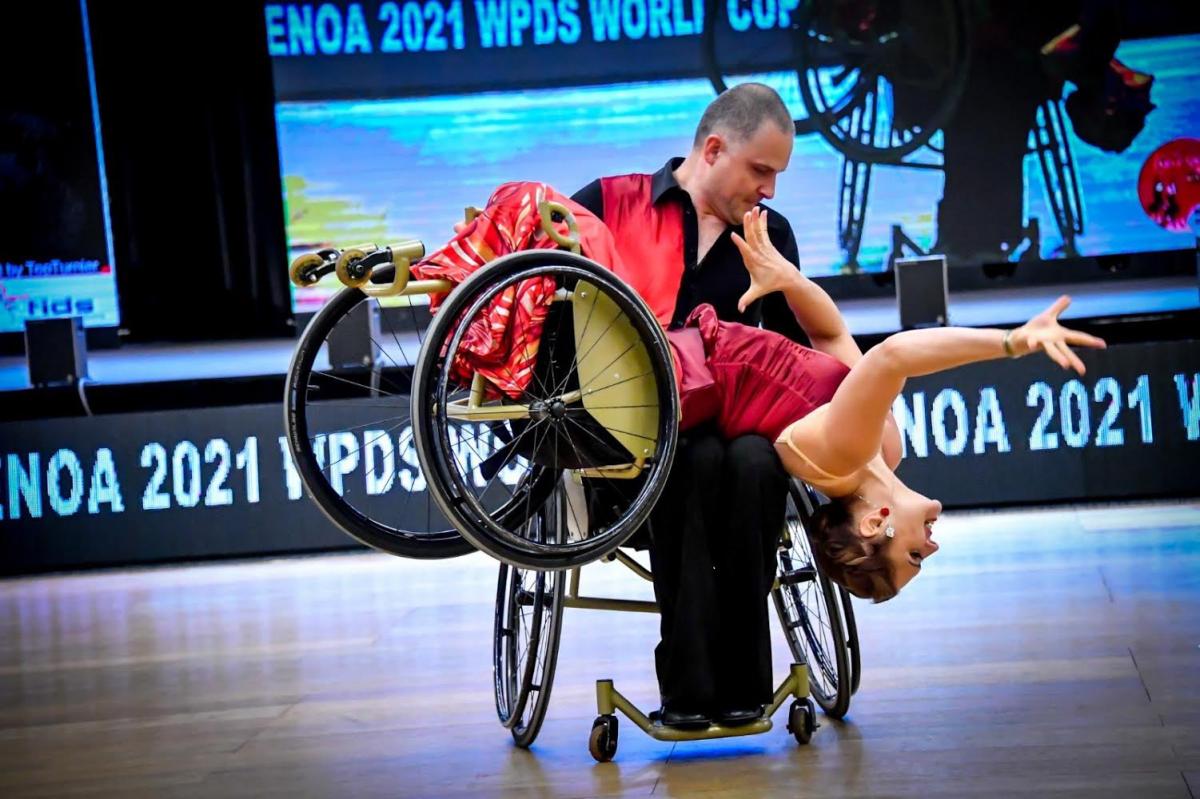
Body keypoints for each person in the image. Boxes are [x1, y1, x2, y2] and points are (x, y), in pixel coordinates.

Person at [568, 83, 839, 730]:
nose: (770, 189)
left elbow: (796, 361)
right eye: (761, 170)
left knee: (750, 460)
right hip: (639, 451)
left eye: (778, 175)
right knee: (692, 458)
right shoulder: (609, 204)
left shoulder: (773, 239)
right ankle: (688, 689)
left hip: (742, 439)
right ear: (714, 149)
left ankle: (746, 684)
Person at [670, 207, 1107, 601]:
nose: (932, 545)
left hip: (676, 368)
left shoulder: (842, 455)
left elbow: (893, 356)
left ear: (874, 525)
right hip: (690, 354)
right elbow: (831, 337)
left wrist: (1012, 342)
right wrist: (791, 281)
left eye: (915, 555)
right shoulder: (885, 452)